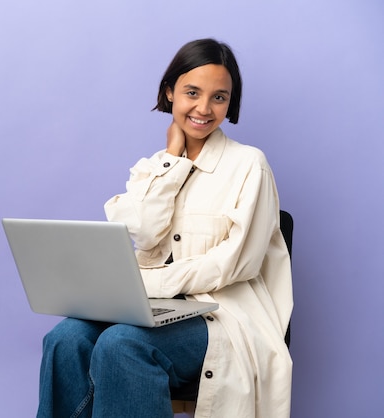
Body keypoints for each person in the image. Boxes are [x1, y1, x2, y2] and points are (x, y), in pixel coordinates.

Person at [36, 38, 293, 418]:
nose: (204, 109)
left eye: (219, 97)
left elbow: (237, 263)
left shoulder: (249, 165)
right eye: (192, 92)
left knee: (122, 344)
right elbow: (141, 232)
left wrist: (146, 285)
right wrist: (173, 161)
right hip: (145, 309)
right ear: (170, 91)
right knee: (64, 339)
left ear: (230, 102)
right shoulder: (153, 167)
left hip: (221, 318)